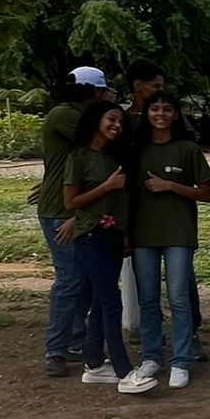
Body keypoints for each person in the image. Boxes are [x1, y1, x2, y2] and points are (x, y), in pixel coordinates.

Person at [61, 100, 158, 395]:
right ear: (95, 120)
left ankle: (94, 364)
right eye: (111, 120)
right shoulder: (78, 157)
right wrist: (107, 186)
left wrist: (125, 233)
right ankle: (125, 371)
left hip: (114, 235)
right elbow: (70, 202)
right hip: (90, 236)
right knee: (111, 301)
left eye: (120, 122)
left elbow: (121, 200)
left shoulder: (115, 158)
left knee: (102, 302)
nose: (116, 126)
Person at [129, 91, 210, 389]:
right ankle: (152, 356)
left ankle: (181, 360)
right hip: (143, 234)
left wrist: (170, 186)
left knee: (179, 298)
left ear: (176, 115)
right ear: (147, 113)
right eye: (155, 108)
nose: (161, 113)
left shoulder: (187, 149)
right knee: (148, 299)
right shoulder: (136, 150)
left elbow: (206, 194)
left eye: (167, 109)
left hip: (179, 233)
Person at [33, 68, 106, 378]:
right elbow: (104, 139)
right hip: (62, 210)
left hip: (75, 206)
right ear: (95, 92)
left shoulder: (67, 113)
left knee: (83, 279)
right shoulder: (67, 116)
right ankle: (56, 348)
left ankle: (76, 340)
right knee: (71, 279)